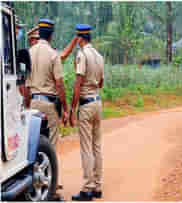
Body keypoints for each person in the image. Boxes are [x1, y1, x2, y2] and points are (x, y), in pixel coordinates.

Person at [25, 19, 68, 200]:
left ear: (39, 34)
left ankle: (32, 185)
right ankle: (51, 188)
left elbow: (24, 84)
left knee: (33, 145)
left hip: (33, 103)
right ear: (51, 35)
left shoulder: (28, 53)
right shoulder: (53, 54)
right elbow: (59, 84)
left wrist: (26, 104)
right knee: (50, 145)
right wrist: (65, 108)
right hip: (49, 105)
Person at [70, 24, 105, 201]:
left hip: (85, 104)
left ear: (80, 39)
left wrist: (72, 108)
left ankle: (87, 188)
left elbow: (77, 84)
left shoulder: (82, 55)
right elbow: (101, 83)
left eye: (77, 39)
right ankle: (98, 186)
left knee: (86, 147)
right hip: (98, 103)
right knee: (97, 146)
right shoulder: (99, 56)